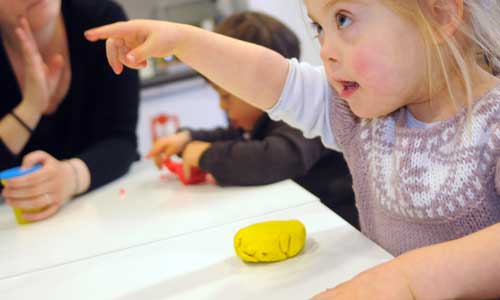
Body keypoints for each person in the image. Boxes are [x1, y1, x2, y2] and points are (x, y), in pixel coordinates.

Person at [85, 1, 500, 299]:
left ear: (439, 14)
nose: (325, 49)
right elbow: (272, 79)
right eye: (320, 27)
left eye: (343, 19)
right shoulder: (359, 115)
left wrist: (410, 281)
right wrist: (184, 41)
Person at [147, 11, 358, 228]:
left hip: (342, 227)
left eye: (226, 96)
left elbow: (275, 158)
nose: (222, 105)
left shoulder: (305, 117)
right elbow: (241, 137)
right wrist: (189, 137)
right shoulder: (260, 121)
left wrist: (204, 154)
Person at [0, 0, 139, 223]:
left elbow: (121, 140)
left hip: (108, 210)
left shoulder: (100, 22)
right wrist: (30, 108)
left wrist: (70, 176)